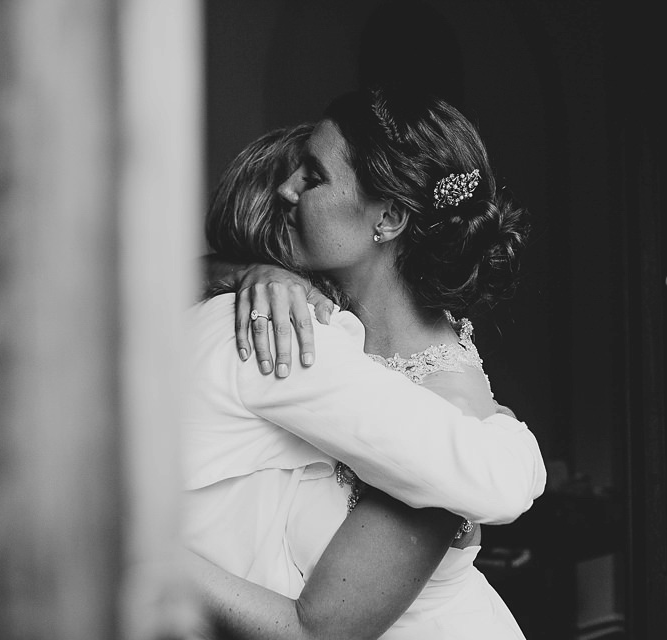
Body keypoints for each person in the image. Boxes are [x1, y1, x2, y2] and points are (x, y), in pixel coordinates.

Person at [182, 86, 537, 638]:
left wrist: (512, 439)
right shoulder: (322, 328)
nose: (286, 188)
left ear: (389, 217)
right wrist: (247, 271)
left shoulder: (443, 412)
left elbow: (320, 630)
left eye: (314, 175)